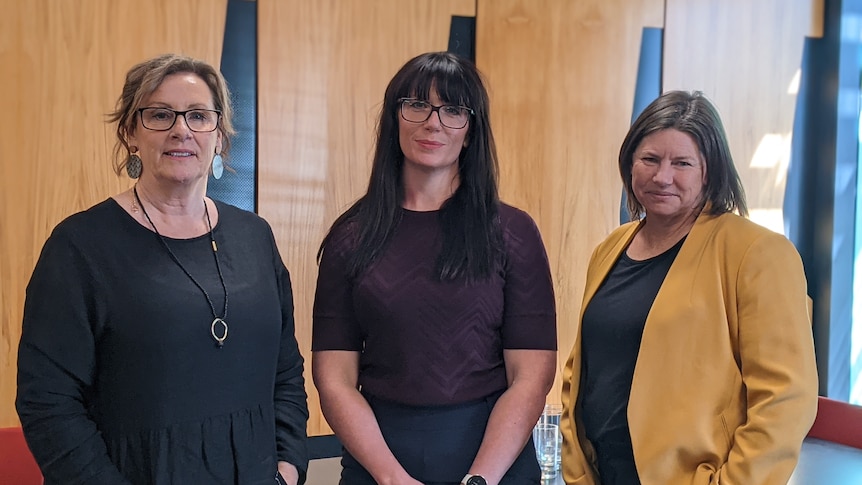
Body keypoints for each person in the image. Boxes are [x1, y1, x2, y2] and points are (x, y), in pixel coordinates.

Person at [16, 54, 309, 485]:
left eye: (198, 115)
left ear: (219, 136)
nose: (181, 129)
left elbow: (286, 369)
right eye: (159, 115)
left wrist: (288, 466)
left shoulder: (255, 237)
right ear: (130, 134)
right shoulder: (79, 246)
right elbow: (49, 402)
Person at [311, 52, 557, 485]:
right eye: (417, 105)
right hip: (379, 457)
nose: (433, 122)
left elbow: (531, 376)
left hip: (494, 456)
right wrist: (391, 478)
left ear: (471, 131)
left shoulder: (513, 232)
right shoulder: (351, 236)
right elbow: (334, 378)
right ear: (395, 119)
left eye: (454, 110)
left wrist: (482, 478)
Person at [560, 90, 819, 485]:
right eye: (650, 159)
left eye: (682, 163)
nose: (662, 176)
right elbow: (579, 373)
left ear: (710, 171)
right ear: (630, 162)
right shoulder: (610, 248)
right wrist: (577, 472)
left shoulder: (757, 253)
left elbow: (785, 399)